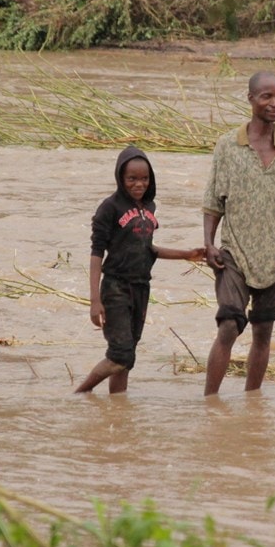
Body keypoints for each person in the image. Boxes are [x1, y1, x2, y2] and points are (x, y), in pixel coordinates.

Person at [201, 70, 275, 395]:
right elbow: (212, 201)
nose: (274, 103)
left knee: (263, 332)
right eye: (266, 96)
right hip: (234, 253)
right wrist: (208, 244)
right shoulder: (228, 146)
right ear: (251, 99)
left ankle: (252, 402)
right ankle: (210, 403)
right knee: (229, 326)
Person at [75, 146, 204, 393]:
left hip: (141, 288)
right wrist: (94, 300)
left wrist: (188, 255)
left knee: (128, 356)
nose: (139, 184)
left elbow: (147, 248)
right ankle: (81, 393)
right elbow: (96, 253)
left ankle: (118, 406)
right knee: (120, 355)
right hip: (115, 288)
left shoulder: (149, 207)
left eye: (144, 178)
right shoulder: (109, 208)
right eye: (132, 179)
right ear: (121, 178)